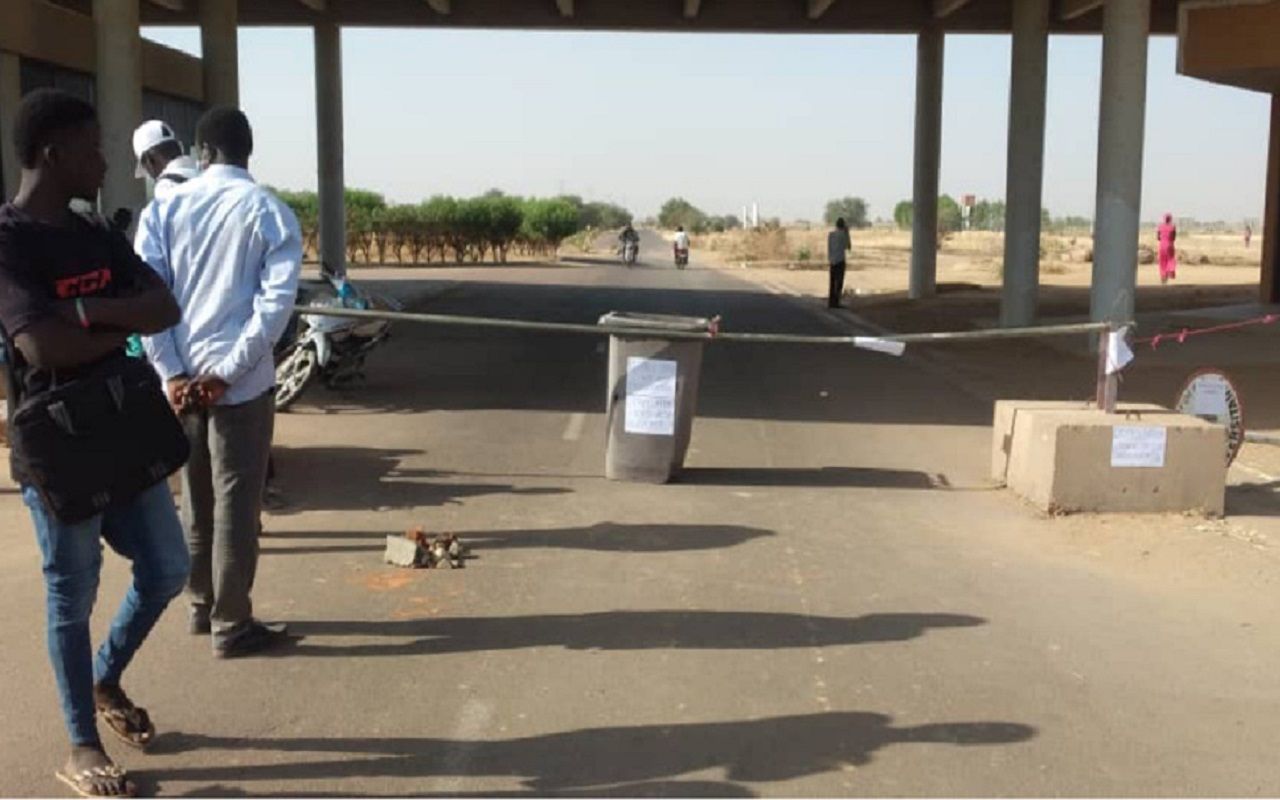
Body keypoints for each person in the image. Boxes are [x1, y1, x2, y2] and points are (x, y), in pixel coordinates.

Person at [0, 89, 186, 798]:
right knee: (70, 595)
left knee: (169, 569)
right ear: (53, 153)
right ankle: (80, 744)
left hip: (123, 433)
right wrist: (114, 331)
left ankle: (105, 675)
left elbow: (162, 304)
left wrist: (86, 312)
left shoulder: (94, 232)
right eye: (92, 146)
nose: (105, 159)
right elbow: (37, 344)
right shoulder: (10, 240)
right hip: (61, 448)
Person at [136, 107, 302, 659]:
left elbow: (149, 298)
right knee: (236, 501)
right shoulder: (270, 212)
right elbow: (273, 307)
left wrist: (173, 373)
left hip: (182, 384)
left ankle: (199, 605)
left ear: (201, 152)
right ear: (248, 152)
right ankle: (232, 623)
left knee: (196, 499)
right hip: (240, 387)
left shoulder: (163, 210)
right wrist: (226, 373)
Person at [131, 120, 198, 202]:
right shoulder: (205, 175)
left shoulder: (165, 188)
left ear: (149, 161)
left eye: (145, 168)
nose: (150, 175)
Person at [827, 216, 852, 308]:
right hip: (840, 260)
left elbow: (829, 247)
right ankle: (837, 302)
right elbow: (848, 247)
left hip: (832, 260)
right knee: (839, 282)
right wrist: (847, 233)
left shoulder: (831, 234)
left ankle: (831, 302)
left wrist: (830, 258)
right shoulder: (843, 235)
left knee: (832, 282)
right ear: (843, 226)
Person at [1157, 212, 1178, 285]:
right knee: (1170, 259)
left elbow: (1158, 237)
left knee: (1162, 262)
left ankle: (1163, 277)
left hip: (1161, 246)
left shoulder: (1160, 226)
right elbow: (1174, 237)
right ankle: (1170, 271)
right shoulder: (1172, 227)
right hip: (1169, 245)